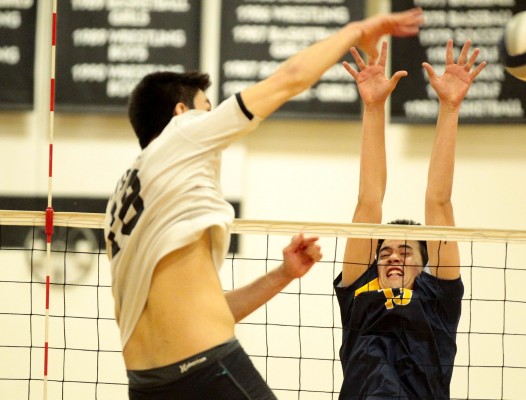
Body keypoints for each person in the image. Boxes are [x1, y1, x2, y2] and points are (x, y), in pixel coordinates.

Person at [103, 8, 426, 400]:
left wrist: (283, 275)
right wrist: (358, 30)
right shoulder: (185, 134)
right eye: (208, 106)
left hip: (148, 384)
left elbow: (205, 314)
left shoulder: (124, 199)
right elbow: (290, 79)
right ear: (181, 112)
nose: (213, 114)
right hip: (206, 369)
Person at [334, 39, 486, 399]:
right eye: (384, 252)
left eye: (405, 251)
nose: (392, 257)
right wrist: (373, 109)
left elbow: (439, 202)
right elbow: (368, 202)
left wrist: (450, 109)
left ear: (426, 263)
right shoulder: (359, 291)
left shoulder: (439, 297)